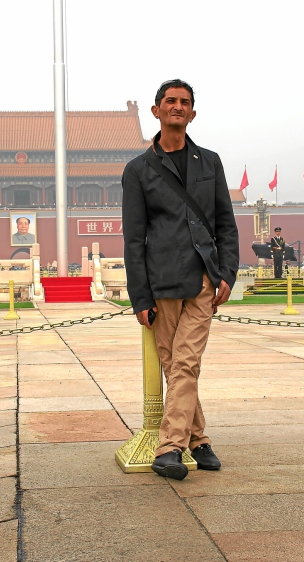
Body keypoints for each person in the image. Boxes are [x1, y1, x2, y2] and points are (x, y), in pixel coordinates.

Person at [122, 79, 239, 480]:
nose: (177, 107)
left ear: (192, 113)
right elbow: (134, 237)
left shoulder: (210, 162)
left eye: (184, 102)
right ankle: (199, 438)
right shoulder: (137, 170)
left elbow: (225, 222)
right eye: (170, 101)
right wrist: (140, 296)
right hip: (163, 282)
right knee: (177, 367)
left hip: (204, 279)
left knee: (185, 362)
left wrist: (228, 273)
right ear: (156, 111)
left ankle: (168, 448)